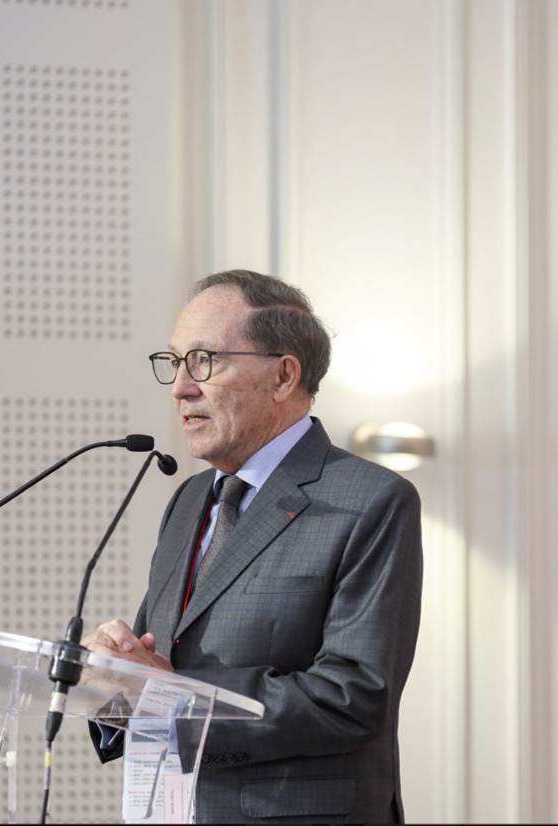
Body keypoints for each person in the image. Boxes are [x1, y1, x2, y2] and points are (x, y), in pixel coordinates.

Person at [83, 269, 423, 823]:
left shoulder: (371, 500)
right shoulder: (190, 499)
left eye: (203, 361)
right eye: (174, 362)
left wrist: (173, 693)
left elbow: (352, 697)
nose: (180, 387)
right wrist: (114, 682)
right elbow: (160, 668)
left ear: (283, 375)